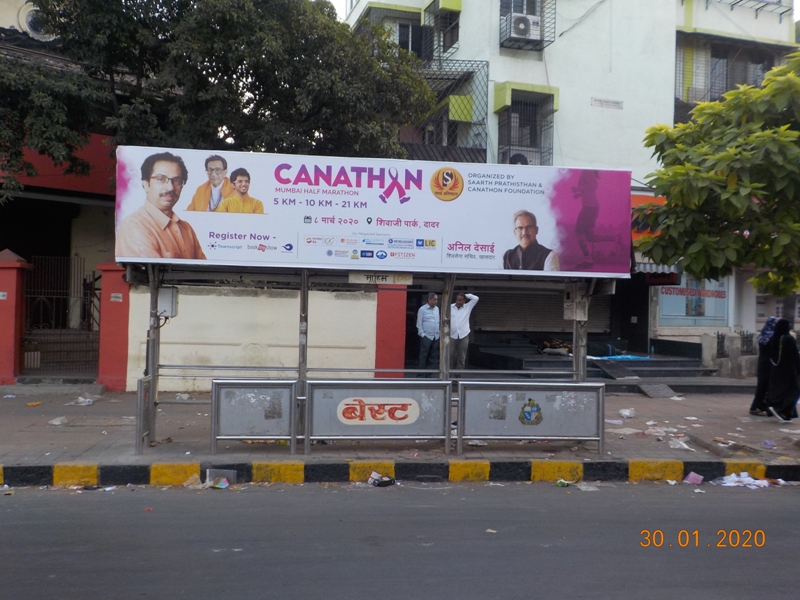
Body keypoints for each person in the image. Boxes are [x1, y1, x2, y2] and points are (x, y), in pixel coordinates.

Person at [116, 152, 206, 259]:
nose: (170, 187)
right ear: (145, 184)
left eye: (176, 180)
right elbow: (151, 273)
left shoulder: (186, 229)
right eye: (161, 179)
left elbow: (204, 271)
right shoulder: (133, 226)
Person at [572, 170, 622, 269]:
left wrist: (579, 189)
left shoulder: (587, 171)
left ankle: (588, 260)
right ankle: (615, 238)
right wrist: (579, 193)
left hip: (589, 208)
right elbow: (590, 188)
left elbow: (594, 186)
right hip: (591, 207)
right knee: (590, 237)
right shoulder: (587, 172)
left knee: (578, 232)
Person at [765, 318, 800, 423]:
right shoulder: (788, 339)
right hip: (788, 370)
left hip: (776, 369)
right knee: (794, 390)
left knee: (778, 390)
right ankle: (781, 409)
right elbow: (794, 355)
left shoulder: (773, 338)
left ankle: (782, 411)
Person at [749, 317, 778, 416]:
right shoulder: (772, 336)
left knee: (762, 386)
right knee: (766, 386)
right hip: (769, 364)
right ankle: (759, 407)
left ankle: (758, 406)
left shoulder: (763, 334)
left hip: (762, 362)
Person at [450, 292, 479, 372]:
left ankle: (458, 377)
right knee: (450, 356)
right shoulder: (450, 307)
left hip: (463, 335)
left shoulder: (468, 307)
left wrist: (466, 295)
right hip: (452, 335)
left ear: (464, 301)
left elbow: (476, 298)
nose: (458, 302)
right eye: (457, 300)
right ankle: (447, 377)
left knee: (461, 357)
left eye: (460, 300)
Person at [416, 292, 440, 376]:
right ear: (429, 300)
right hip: (426, 336)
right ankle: (420, 375)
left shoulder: (437, 309)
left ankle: (430, 374)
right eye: (434, 299)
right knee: (423, 356)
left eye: (436, 299)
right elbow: (419, 323)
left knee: (433, 356)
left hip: (436, 336)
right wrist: (423, 335)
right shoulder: (422, 309)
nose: (436, 301)